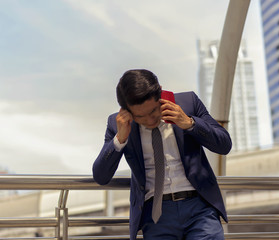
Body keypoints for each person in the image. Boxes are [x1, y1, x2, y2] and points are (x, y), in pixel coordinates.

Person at [93, 69, 232, 240]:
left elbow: (224, 145)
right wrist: (120, 139)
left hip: (200, 209)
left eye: (153, 111)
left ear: (160, 92)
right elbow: (101, 176)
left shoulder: (188, 102)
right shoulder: (117, 124)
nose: (150, 120)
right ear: (126, 111)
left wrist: (189, 123)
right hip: (156, 216)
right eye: (140, 116)